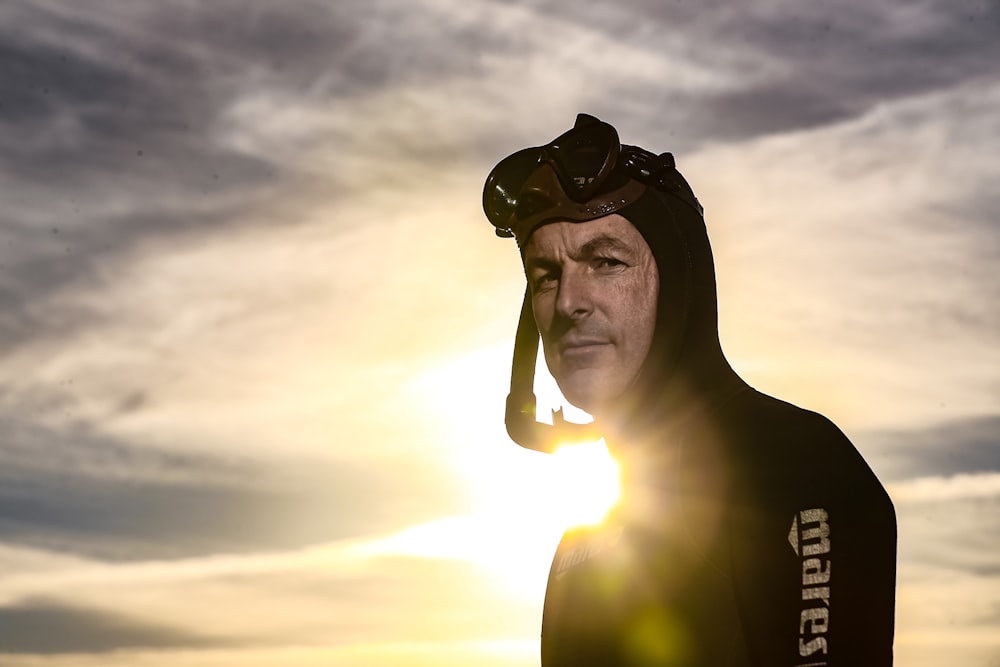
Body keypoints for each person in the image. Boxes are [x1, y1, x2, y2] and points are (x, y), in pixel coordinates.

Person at [481, 114, 897, 666]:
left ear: (679, 286)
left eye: (605, 262)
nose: (566, 303)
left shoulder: (796, 468)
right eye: (545, 275)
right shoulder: (580, 546)